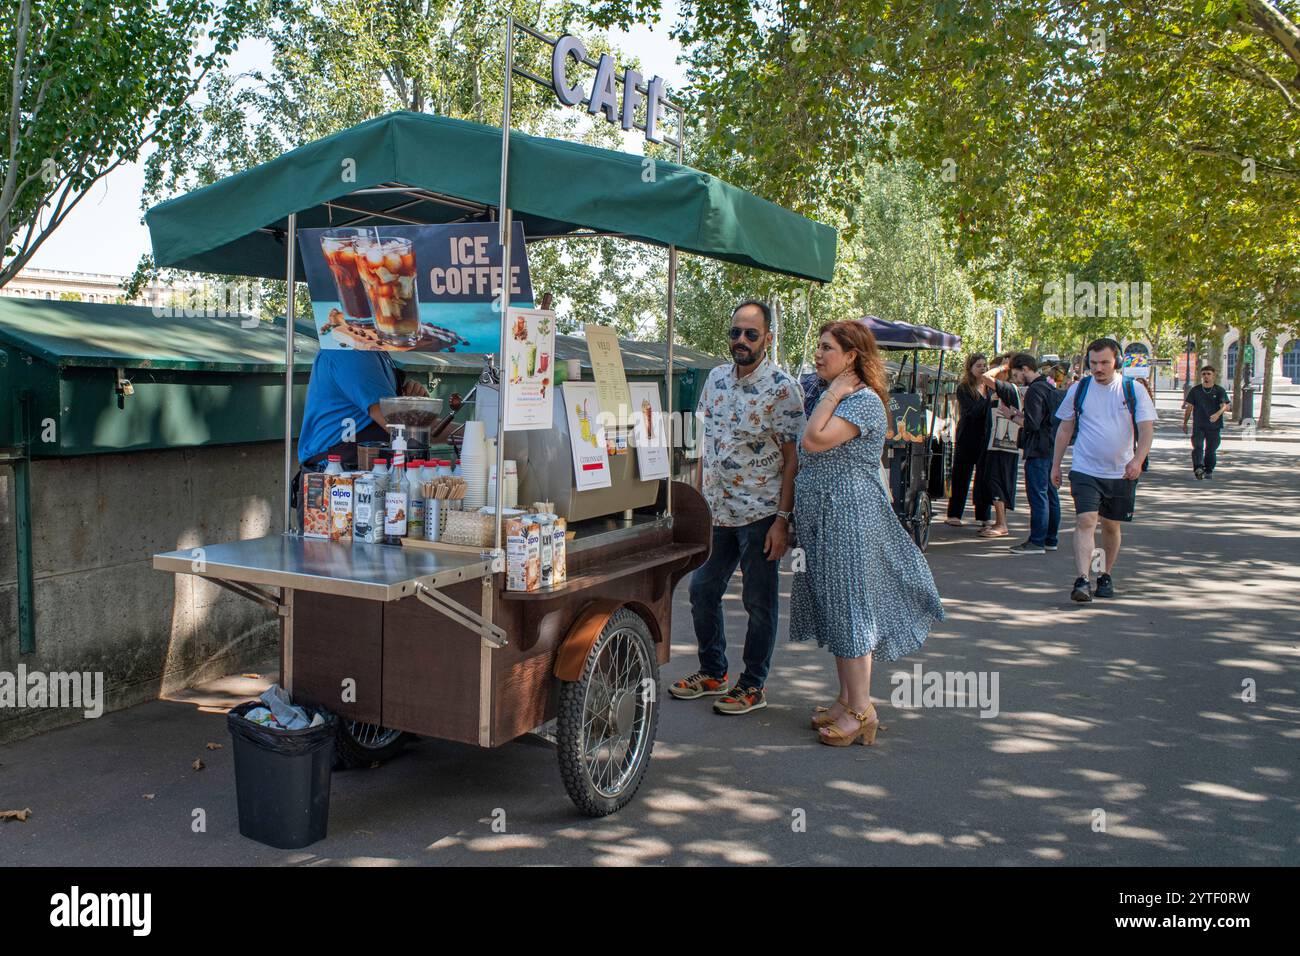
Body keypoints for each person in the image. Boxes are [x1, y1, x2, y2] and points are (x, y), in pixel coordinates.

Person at [790, 320, 943, 746]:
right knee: (837, 606)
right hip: (826, 514)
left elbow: (814, 441)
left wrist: (836, 391)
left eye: (827, 348)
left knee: (852, 609)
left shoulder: (861, 401)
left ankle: (861, 710)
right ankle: (846, 699)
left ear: (851, 356)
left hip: (849, 515)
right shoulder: (831, 394)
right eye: (818, 347)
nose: (819, 355)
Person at [672, 300, 805, 715]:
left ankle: (753, 684)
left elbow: (792, 460)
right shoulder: (715, 379)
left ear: (768, 337)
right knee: (702, 591)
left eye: (751, 334)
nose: (741, 341)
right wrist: (695, 502)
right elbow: (704, 446)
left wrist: (782, 521)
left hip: (762, 514)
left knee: (758, 603)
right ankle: (713, 672)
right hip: (718, 512)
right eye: (735, 333)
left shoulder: (783, 389)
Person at [1051, 338, 1157, 602]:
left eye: (1104, 363)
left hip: (1121, 472)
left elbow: (1146, 431)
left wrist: (1137, 460)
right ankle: (1082, 580)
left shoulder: (1133, 390)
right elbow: (1065, 429)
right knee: (1086, 520)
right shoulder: (1079, 389)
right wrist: (1056, 464)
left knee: (1110, 525)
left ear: (1117, 362)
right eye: (1094, 363)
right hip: (1085, 468)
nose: (1098, 368)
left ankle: (1104, 574)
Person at [1000, 353, 1061, 554]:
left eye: (1016, 375)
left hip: (1038, 449)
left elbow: (1032, 424)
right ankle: (1050, 538)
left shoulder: (1035, 390)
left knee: (1038, 495)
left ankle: (1036, 541)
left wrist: (1012, 416)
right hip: (1051, 446)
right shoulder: (1048, 387)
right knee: (1051, 494)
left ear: (1025, 369)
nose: (1016, 380)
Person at [973, 356, 1021, 538]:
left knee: (997, 480)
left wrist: (1002, 366)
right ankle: (999, 521)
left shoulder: (1008, 388)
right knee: (992, 481)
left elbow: (985, 376)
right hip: (995, 442)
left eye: (996, 369)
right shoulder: (1001, 391)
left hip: (1002, 444)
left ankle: (1002, 523)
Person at [944, 353, 990, 527]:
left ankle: (983, 515)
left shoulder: (990, 387)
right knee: (961, 475)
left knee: (983, 476)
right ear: (970, 368)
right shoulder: (964, 388)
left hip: (985, 436)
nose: (982, 369)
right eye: (978, 365)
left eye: (984, 365)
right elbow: (970, 412)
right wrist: (986, 401)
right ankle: (954, 513)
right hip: (967, 435)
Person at [1182, 366, 1230, 480]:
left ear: (1213, 375)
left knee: (1211, 449)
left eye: (1208, 374)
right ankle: (1198, 468)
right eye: (1203, 374)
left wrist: (1217, 414)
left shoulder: (1219, 390)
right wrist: (1185, 423)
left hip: (1214, 426)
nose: (1206, 376)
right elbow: (1189, 407)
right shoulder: (1195, 390)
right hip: (1199, 424)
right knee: (1197, 447)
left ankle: (1209, 469)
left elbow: (1225, 406)